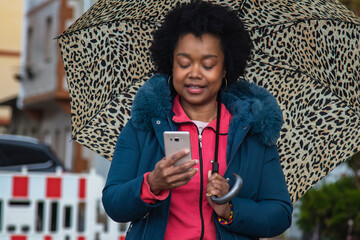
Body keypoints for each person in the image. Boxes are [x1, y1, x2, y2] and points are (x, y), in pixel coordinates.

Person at [102, 1, 293, 239]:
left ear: (225, 69)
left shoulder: (252, 133)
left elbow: (280, 213)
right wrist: (152, 183)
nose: (194, 73)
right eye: (184, 63)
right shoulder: (144, 126)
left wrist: (229, 208)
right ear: (171, 64)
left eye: (208, 64)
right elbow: (113, 203)